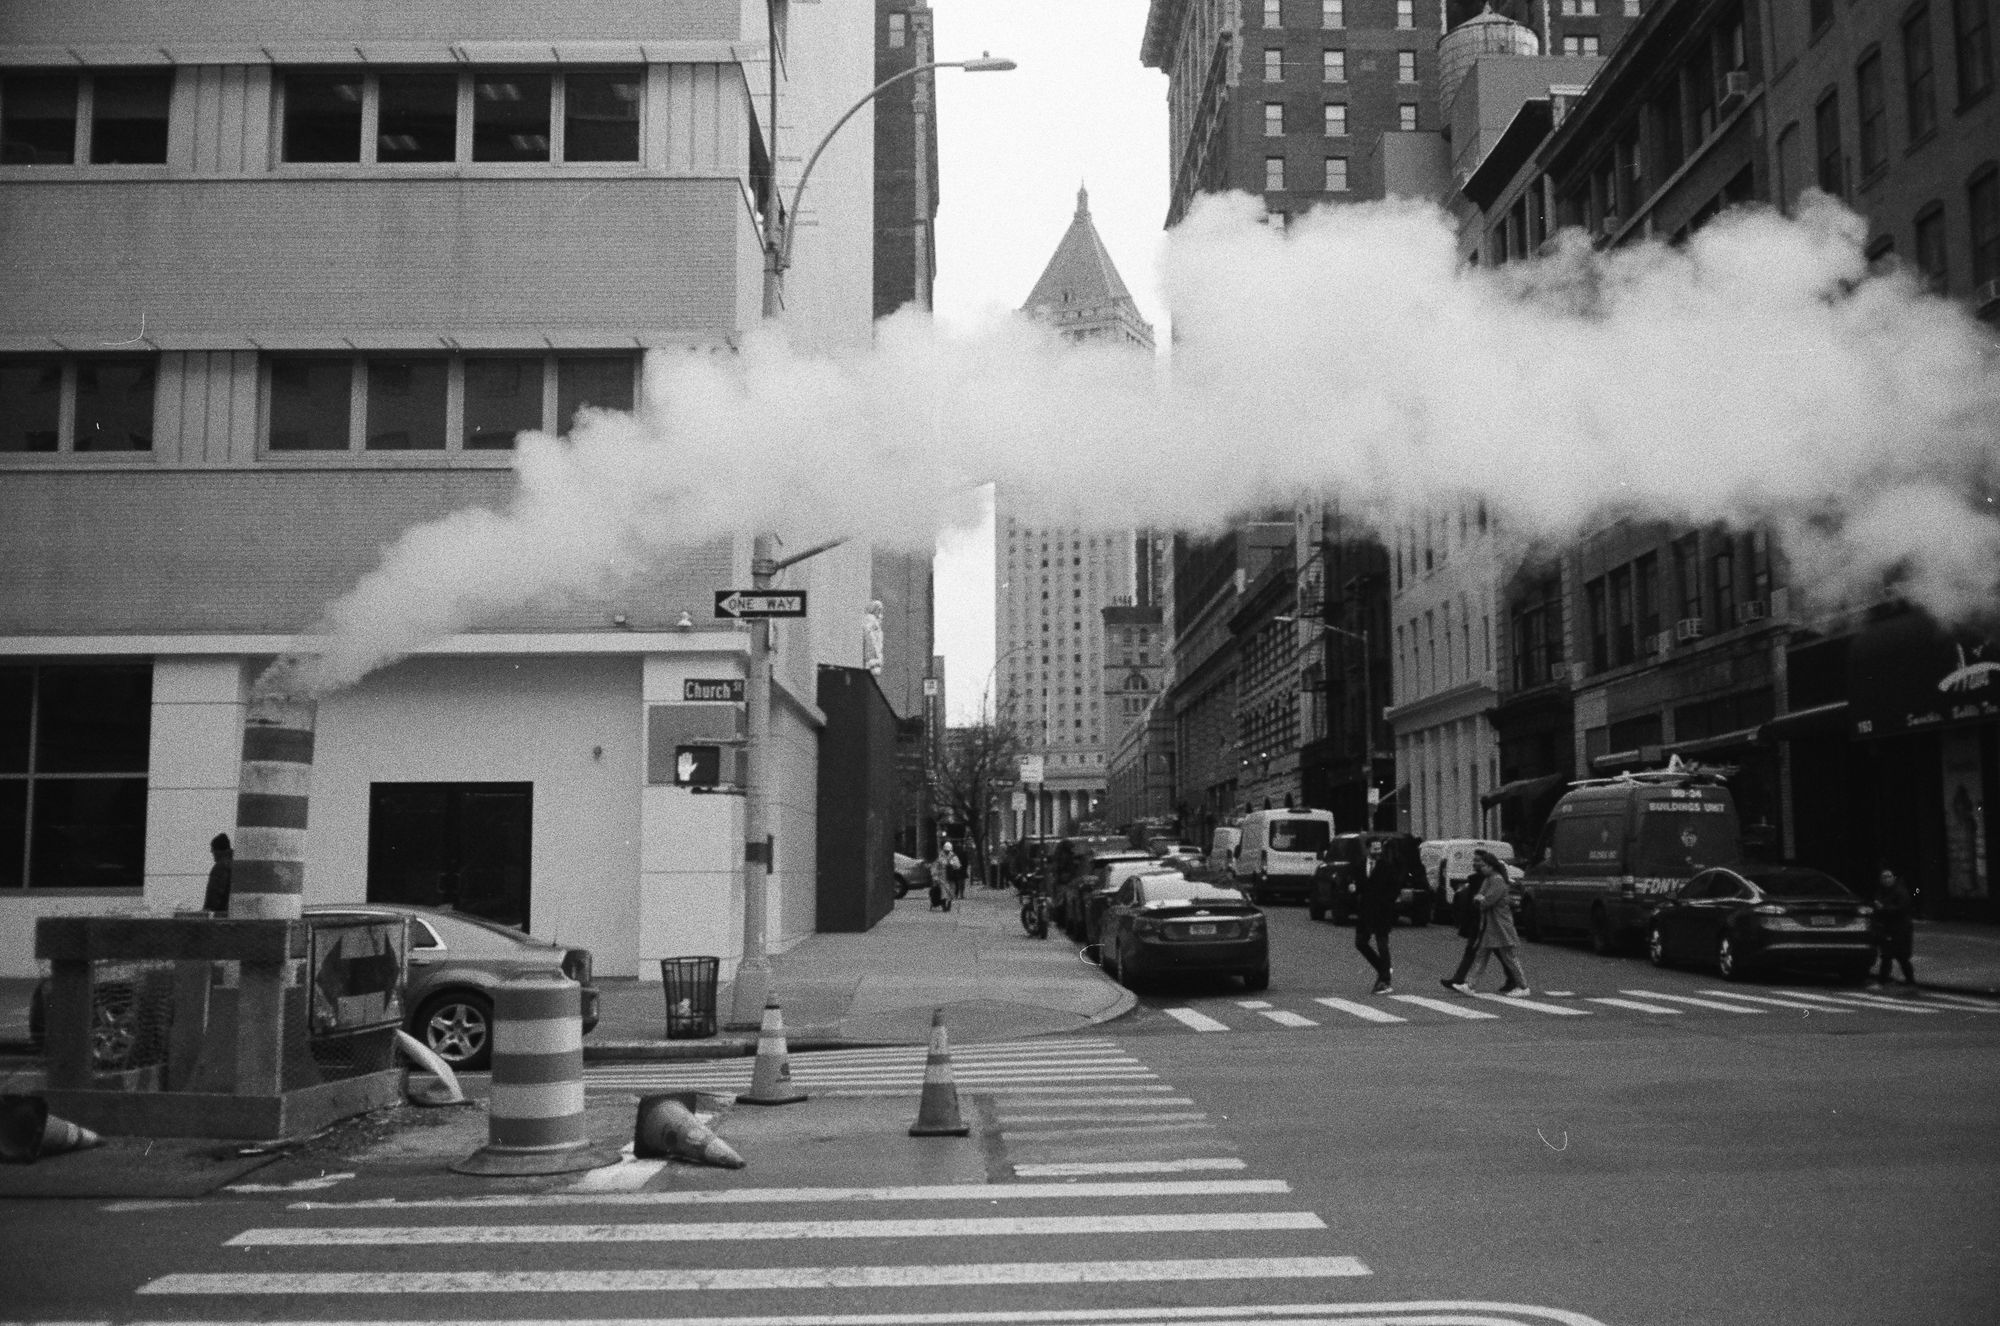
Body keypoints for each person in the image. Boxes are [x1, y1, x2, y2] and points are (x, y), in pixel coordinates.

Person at [1464, 848, 1531, 996]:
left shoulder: (1497, 880)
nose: (1481, 868)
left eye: (1484, 866)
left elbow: (1486, 901)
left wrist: (1480, 899)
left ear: (1491, 866)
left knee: (1508, 956)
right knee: (1482, 954)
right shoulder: (1489, 879)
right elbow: (1479, 897)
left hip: (1500, 925)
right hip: (1490, 925)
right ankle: (1470, 985)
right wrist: (1480, 899)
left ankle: (1523, 986)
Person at [1439, 852, 1495, 994]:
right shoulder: (1476, 879)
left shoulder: (1487, 880)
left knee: (1497, 951)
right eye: (1474, 860)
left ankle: (1515, 980)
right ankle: (1458, 979)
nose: (1474, 863)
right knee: (1473, 950)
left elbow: (1483, 901)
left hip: (1485, 921)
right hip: (1478, 921)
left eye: (1478, 860)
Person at [1353, 838, 1399, 994]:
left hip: (1382, 911)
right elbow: (1358, 884)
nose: (1378, 851)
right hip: (1365, 911)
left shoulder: (1387, 866)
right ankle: (1383, 969)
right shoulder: (1360, 865)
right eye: (1375, 848)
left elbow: (1394, 888)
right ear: (1368, 849)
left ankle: (1385, 980)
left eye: (1379, 848)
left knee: (1382, 945)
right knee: (1360, 942)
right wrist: (1353, 888)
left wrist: (1387, 902)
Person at [1872, 866, 1916, 986]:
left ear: (1894, 878)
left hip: (1901, 928)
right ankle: (1883, 981)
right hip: (1887, 928)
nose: (1886, 879)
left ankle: (1909, 981)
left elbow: (1902, 908)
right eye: (1884, 877)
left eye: (1889, 876)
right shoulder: (1881, 892)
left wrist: (1884, 908)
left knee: (1901, 956)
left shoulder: (1900, 891)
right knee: (1887, 956)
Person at [202, 832, 233, 916]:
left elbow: (215, 893)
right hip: (234, 913)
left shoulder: (221, 867)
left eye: (212, 850)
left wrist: (206, 911)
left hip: (221, 915)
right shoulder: (237, 864)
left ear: (218, 851)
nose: (211, 852)